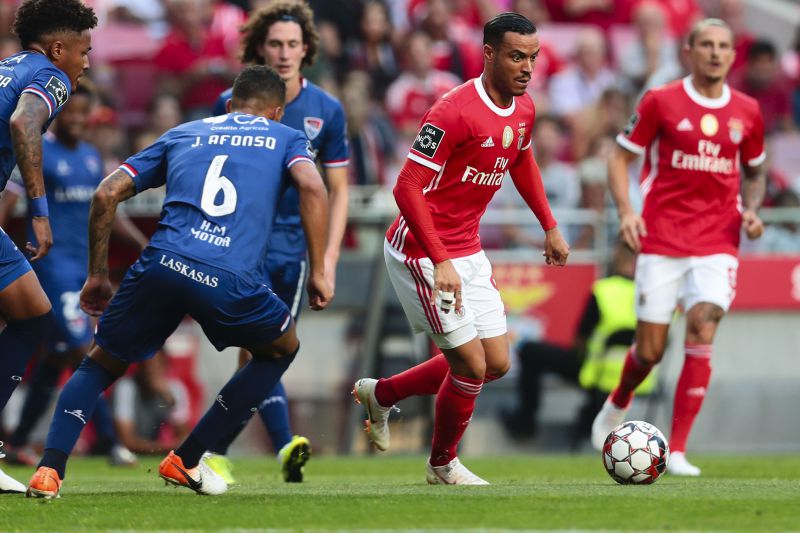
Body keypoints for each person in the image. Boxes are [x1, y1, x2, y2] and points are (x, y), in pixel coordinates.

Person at [25, 65, 331, 499]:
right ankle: (188, 457)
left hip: (163, 263)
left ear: (228, 105)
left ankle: (48, 471)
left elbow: (105, 194)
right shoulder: (285, 136)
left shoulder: (185, 132)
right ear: (277, 112)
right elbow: (313, 189)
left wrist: (98, 274)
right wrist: (319, 269)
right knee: (281, 347)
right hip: (229, 277)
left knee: (99, 363)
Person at [352, 12, 569, 485]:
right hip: (419, 251)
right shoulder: (452, 111)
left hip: (465, 248)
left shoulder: (525, 108)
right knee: (469, 364)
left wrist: (549, 225)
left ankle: (383, 394)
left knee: (496, 363)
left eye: (532, 58)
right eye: (516, 56)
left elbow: (522, 158)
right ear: (488, 54)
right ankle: (442, 465)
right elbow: (407, 188)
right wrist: (440, 260)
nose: (527, 67)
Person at [591, 18, 766, 477]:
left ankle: (681, 450)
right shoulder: (661, 101)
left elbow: (756, 171)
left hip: (717, 240)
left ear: (732, 54)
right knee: (649, 351)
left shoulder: (748, 111)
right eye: (705, 44)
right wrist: (628, 212)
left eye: (723, 46)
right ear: (689, 50)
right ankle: (619, 401)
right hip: (662, 238)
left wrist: (751, 209)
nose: (714, 52)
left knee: (703, 323)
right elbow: (620, 157)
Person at [204, 1, 349, 484]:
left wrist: (325, 259)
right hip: (240, 244)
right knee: (264, 349)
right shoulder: (231, 102)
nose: (284, 53)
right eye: (275, 44)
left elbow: (338, 190)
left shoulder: (327, 110)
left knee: (261, 350)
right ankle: (280, 442)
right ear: (259, 49)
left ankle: (220, 448)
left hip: (292, 250)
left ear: (306, 49)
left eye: (292, 44)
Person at [0, 83, 147, 468]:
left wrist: (144, 245)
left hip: (82, 269)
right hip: (50, 269)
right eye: (71, 113)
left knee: (57, 356)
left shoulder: (89, 156)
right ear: (55, 113)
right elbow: (7, 204)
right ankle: (111, 442)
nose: (78, 120)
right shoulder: (38, 152)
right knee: (84, 348)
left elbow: (106, 212)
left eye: (85, 113)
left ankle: (15, 442)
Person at [0, 0, 96, 495]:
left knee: (31, 313)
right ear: (59, 48)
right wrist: (40, 212)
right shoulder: (49, 76)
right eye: (84, 50)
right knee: (33, 316)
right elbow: (23, 123)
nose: (87, 61)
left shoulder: (6, 67)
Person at [500, 244, 655, 446]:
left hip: (594, 373)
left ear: (617, 256)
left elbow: (580, 339)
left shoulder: (604, 290)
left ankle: (525, 422)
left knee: (530, 351)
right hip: (639, 380)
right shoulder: (651, 295)